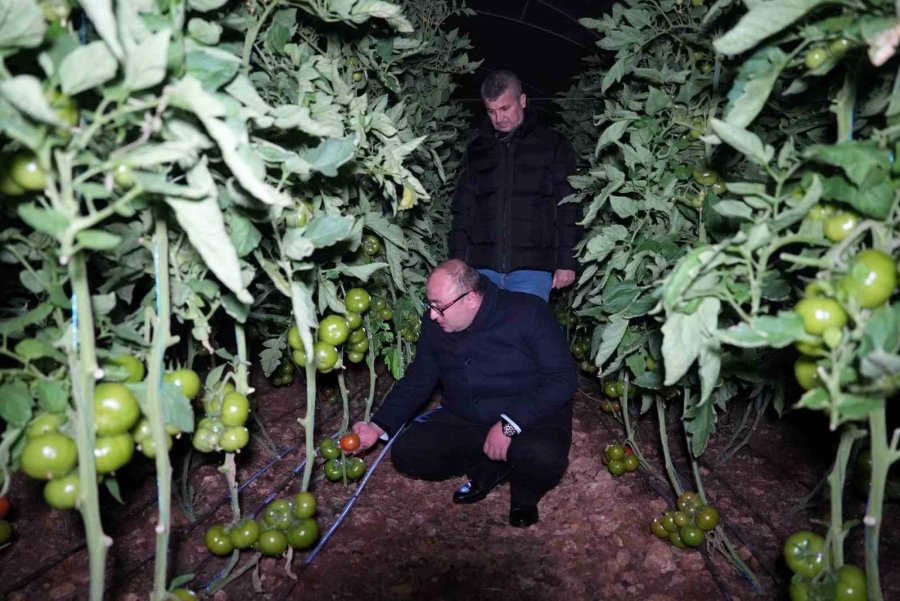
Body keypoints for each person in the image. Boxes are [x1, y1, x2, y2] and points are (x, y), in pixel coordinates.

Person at [352, 259, 576, 528]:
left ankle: (524, 497)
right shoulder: (436, 323)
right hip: (469, 415)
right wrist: (378, 426)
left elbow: (562, 378)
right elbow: (419, 378)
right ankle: (490, 467)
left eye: (439, 306)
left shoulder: (528, 312)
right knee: (409, 453)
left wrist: (509, 424)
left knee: (543, 456)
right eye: (430, 305)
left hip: (529, 418)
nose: (433, 314)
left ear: (471, 299)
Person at [448, 69, 581, 302]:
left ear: (522, 100)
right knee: (485, 338)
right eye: (491, 111)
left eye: (505, 108)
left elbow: (569, 206)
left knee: (521, 336)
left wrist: (567, 261)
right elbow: (462, 210)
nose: (499, 118)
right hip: (482, 267)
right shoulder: (476, 150)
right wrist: (458, 261)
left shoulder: (553, 145)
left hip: (533, 268)